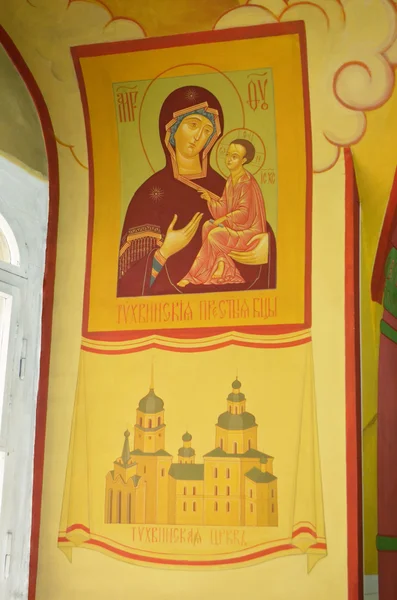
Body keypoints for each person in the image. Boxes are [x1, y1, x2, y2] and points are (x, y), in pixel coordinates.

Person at [117, 86, 276, 297]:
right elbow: (125, 284)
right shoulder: (149, 195)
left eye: (207, 131)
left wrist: (264, 247)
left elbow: (258, 231)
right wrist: (164, 252)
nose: (199, 136)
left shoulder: (226, 184)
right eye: (192, 125)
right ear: (171, 129)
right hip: (168, 314)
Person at [177, 139, 267, 286]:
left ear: (243, 160)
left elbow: (244, 214)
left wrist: (222, 219)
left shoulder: (246, 183)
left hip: (249, 233)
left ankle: (192, 276)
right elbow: (225, 206)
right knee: (207, 226)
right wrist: (209, 200)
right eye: (228, 154)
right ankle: (221, 264)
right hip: (236, 228)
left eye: (235, 156)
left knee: (214, 235)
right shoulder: (231, 180)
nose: (229, 159)